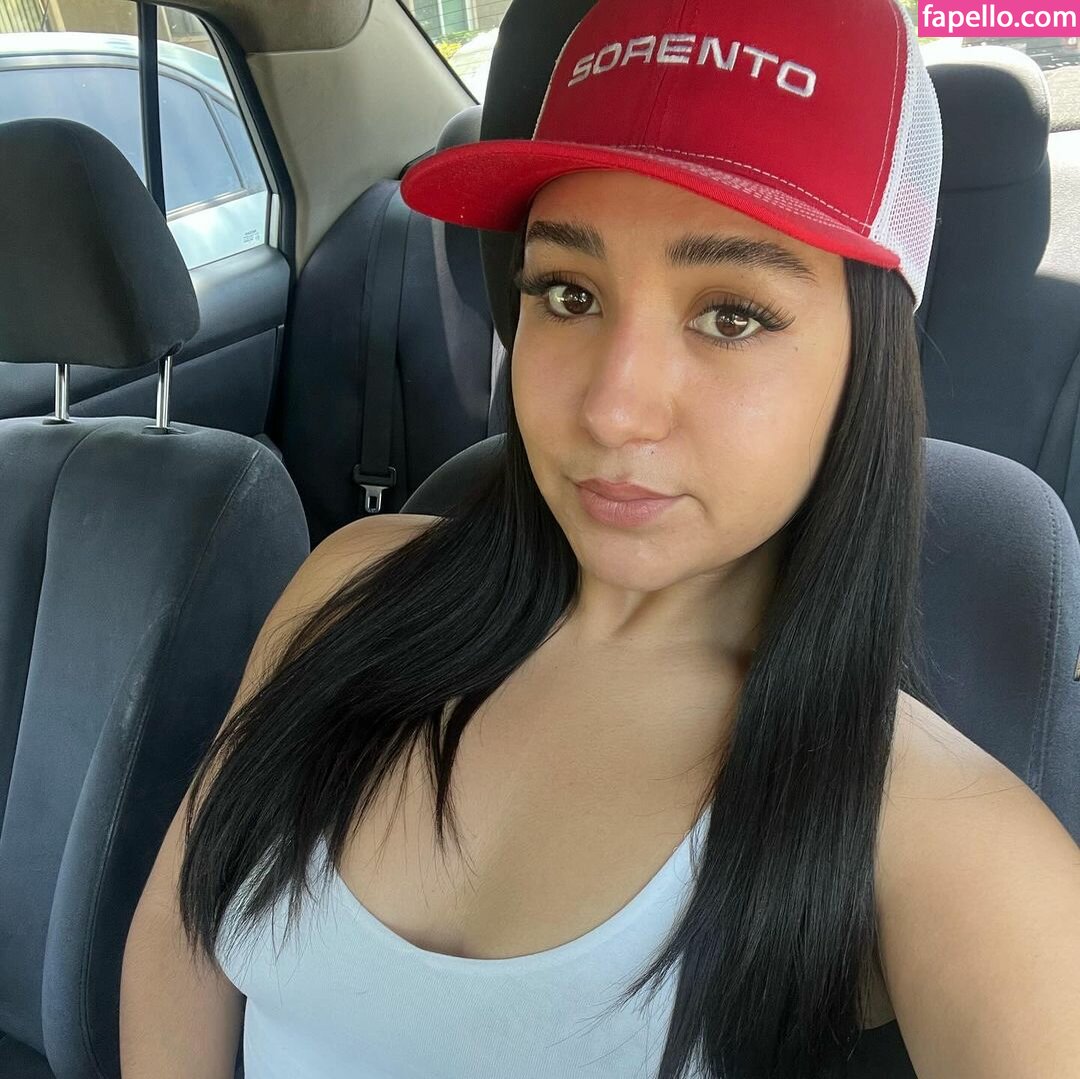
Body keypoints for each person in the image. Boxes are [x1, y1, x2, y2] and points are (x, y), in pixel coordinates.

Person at [120, 0, 1080, 1076]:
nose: (614, 408)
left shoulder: (945, 841)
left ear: (869, 358)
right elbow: (180, 943)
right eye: (569, 293)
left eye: (731, 315)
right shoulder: (344, 587)